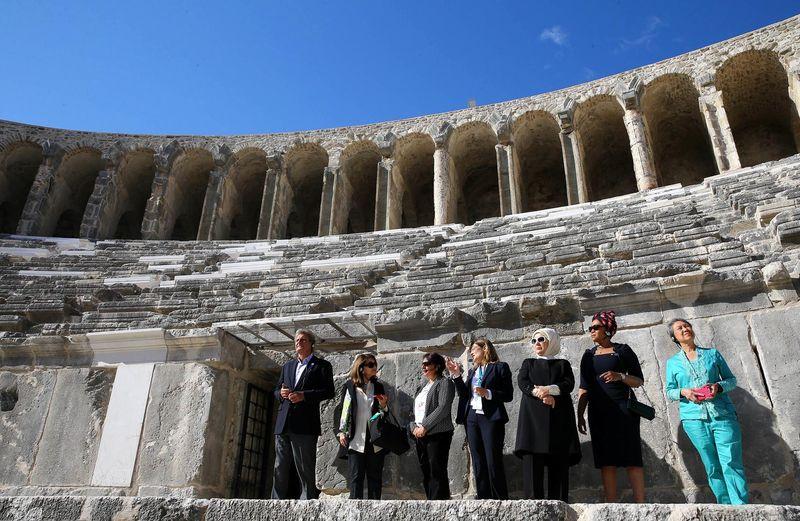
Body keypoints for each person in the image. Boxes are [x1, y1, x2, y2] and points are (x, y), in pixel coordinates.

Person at [664, 318, 748, 504]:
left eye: (687, 326)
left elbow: (731, 380)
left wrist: (718, 387)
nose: (685, 329)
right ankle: (725, 506)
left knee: (731, 461)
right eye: (680, 328)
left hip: (723, 415)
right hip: (694, 420)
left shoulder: (712, 354)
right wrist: (684, 392)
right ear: (674, 337)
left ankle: (741, 507)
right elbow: (669, 391)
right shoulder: (672, 363)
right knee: (712, 466)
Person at [577, 310, 646, 502]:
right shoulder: (588, 356)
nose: (591, 330)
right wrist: (580, 414)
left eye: (596, 327)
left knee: (632, 456)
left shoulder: (623, 350)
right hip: (598, 412)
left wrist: (620, 376)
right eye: (590, 328)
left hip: (624, 409)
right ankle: (611, 504)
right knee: (606, 460)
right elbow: (584, 387)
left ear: (607, 329)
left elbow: (639, 380)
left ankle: (641, 504)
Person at [514, 328, 581, 501]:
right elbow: (523, 382)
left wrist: (550, 391)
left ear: (551, 342)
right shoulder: (528, 363)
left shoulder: (562, 364)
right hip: (533, 420)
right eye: (534, 341)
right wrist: (539, 393)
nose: (537, 343)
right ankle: (533, 506)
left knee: (558, 463)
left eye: (541, 339)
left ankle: (559, 504)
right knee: (532, 464)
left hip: (557, 418)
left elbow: (568, 384)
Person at [271, 329, 335, 499]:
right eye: (297, 340)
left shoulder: (322, 365)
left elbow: (329, 391)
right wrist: (281, 394)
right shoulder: (288, 366)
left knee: (305, 466)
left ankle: (307, 501)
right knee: (279, 466)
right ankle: (275, 502)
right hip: (283, 422)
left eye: (303, 340)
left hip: (305, 424)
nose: (298, 342)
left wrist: (304, 395)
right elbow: (276, 390)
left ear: (311, 344)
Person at [446, 338, 513, 499]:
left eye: (474, 349)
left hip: (490, 417)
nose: (471, 352)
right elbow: (464, 394)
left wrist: (488, 393)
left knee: (492, 459)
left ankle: (499, 499)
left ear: (485, 349)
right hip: (471, 417)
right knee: (478, 460)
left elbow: (508, 395)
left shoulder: (499, 367)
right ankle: (483, 498)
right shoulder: (472, 371)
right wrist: (456, 374)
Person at [335, 353, 390, 499]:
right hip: (355, 439)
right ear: (361, 368)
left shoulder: (378, 386)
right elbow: (343, 410)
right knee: (355, 479)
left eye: (375, 364)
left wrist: (384, 406)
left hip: (375, 440)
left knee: (375, 479)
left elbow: (382, 415)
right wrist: (342, 432)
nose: (374, 367)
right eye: (370, 365)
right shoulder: (350, 386)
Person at [411, 352, 455, 500]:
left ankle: (440, 505)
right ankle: (431, 503)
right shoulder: (422, 386)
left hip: (438, 433)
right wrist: (414, 427)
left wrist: (425, 426)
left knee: (437, 470)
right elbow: (416, 411)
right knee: (426, 471)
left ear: (437, 366)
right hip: (420, 434)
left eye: (427, 364)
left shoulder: (444, 382)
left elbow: (443, 407)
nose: (423, 367)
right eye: (422, 364)